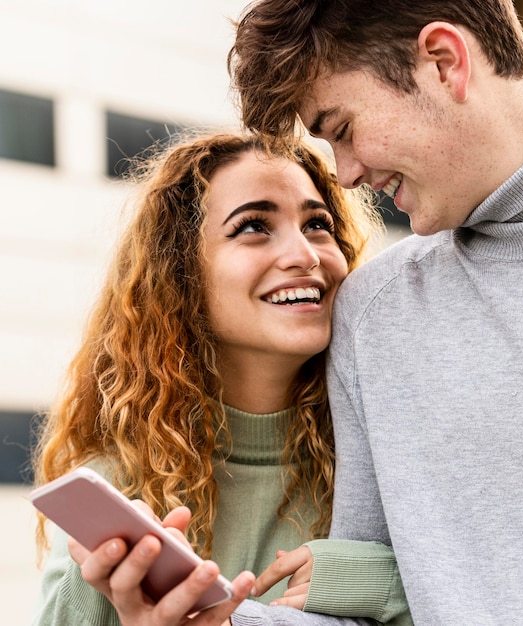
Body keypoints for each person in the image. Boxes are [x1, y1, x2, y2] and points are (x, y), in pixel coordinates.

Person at [227, 0, 523, 623]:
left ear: (444, 62)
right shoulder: (374, 312)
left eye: (343, 129)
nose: (347, 174)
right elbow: (367, 606)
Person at [30, 131, 412, 625]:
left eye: (318, 224)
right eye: (254, 226)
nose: (306, 254)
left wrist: (381, 583)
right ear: (180, 272)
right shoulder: (121, 488)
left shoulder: (390, 447)